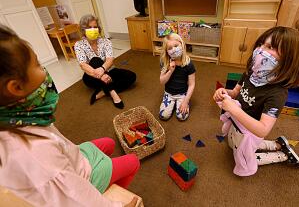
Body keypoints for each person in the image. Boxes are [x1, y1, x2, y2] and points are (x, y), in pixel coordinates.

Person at [0, 25, 139, 206]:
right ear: (16, 87)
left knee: (109, 142)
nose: (44, 70)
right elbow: (77, 196)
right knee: (133, 161)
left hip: (72, 158)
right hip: (80, 178)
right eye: (37, 64)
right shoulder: (35, 151)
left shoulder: (23, 116)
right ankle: (111, 190)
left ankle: (106, 91)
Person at [213, 26, 299, 176]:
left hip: (250, 131)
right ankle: (277, 144)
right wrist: (224, 93)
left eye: (269, 47)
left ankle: (281, 156)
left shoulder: (277, 93)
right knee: (232, 144)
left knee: (244, 159)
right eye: (261, 44)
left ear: (288, 60)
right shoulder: (251, 72)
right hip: (237, 123)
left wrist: (234, 109)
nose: (260, 50)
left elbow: (263, 129)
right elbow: (236, 92)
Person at [74, 14, 136, 108]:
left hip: (108, 70)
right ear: (83, 30)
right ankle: (113, 93)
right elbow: (83, 65)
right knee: (95, 60)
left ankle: (103, 92)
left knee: (131, 76)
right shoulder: (79, 45)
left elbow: (110, 60)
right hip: (91, 76)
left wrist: (103, 70)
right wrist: (101, 75)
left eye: (95, 27)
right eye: (89, 27)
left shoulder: (106, 41)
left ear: (98, 28)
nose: (92, 30)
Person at [159, 33, 195, 121]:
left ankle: (179, 102)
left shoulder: (189, 64)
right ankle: (171, 102)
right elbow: (162, 81)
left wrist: (186, 101)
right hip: (169, 93)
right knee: (163, 116)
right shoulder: (165, 62)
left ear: (182, 44)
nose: (174, 50)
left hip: (182, 94)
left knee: (182, 117)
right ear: (166, 51)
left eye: (176, 46)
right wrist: (170, 71)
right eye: (170, 48)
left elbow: (191, 84)